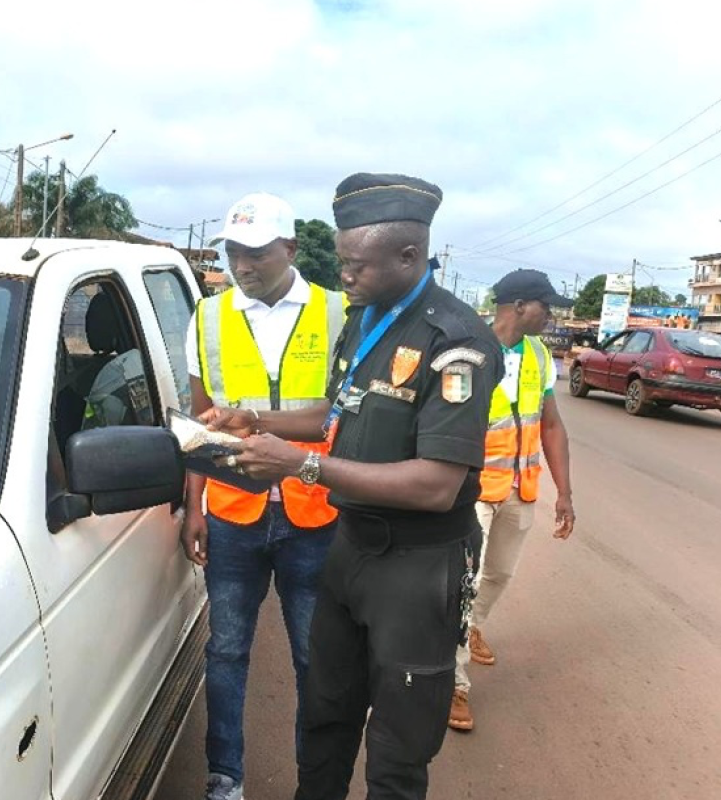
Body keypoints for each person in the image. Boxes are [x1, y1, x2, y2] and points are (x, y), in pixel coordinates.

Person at [202, 173, 502, 800]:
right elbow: (336, 415)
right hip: (350, 552)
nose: (343, 276)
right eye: (340, 262)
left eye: (355, 265)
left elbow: (436, 485)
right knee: (325, 715)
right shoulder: (367, 319)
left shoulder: (457, 342)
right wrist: (255, 421)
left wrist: (300, 467)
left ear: (408, 256)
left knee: (397, 747)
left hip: (415, 570)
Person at [181, 192, 346, 800]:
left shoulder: (337, 313)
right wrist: (194, 502)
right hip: (232, 513)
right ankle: (226, 779)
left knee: (314, 658)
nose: (242, 265)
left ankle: (316, 781)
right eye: (233, 252)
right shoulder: (208, 316)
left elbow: (344, 415)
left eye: (255, 252)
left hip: (315, 511)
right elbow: (200, 418)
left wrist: (259, 418)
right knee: (225, 652)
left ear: (292, 249)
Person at [449, 269, 576, 731]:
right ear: (521, 305)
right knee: (467, 582)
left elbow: (551, 425)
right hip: (471, 493)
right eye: (547, 306)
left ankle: (472, 627)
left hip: (520, 489)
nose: (552, 316)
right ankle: (454, 685)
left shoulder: (541, 355)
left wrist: (564, 492)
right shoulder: (466, 352)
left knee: (499, 575)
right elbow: (447, 423)